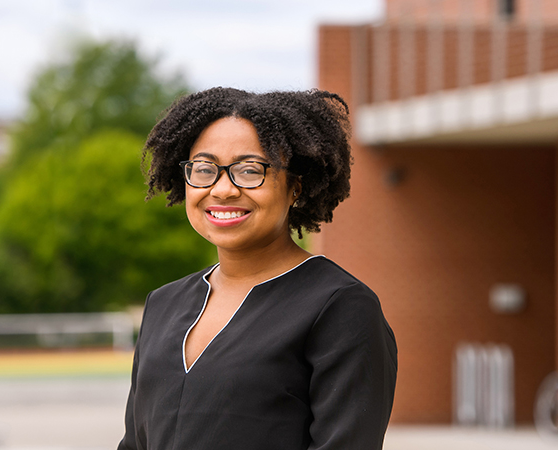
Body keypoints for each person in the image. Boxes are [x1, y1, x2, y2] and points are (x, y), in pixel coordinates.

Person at [118, 87, 397, 450]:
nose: (223, 189)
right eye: (204, 169)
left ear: (296, 187)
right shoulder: (163, 304)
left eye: (249, 170)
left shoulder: (340, 307)